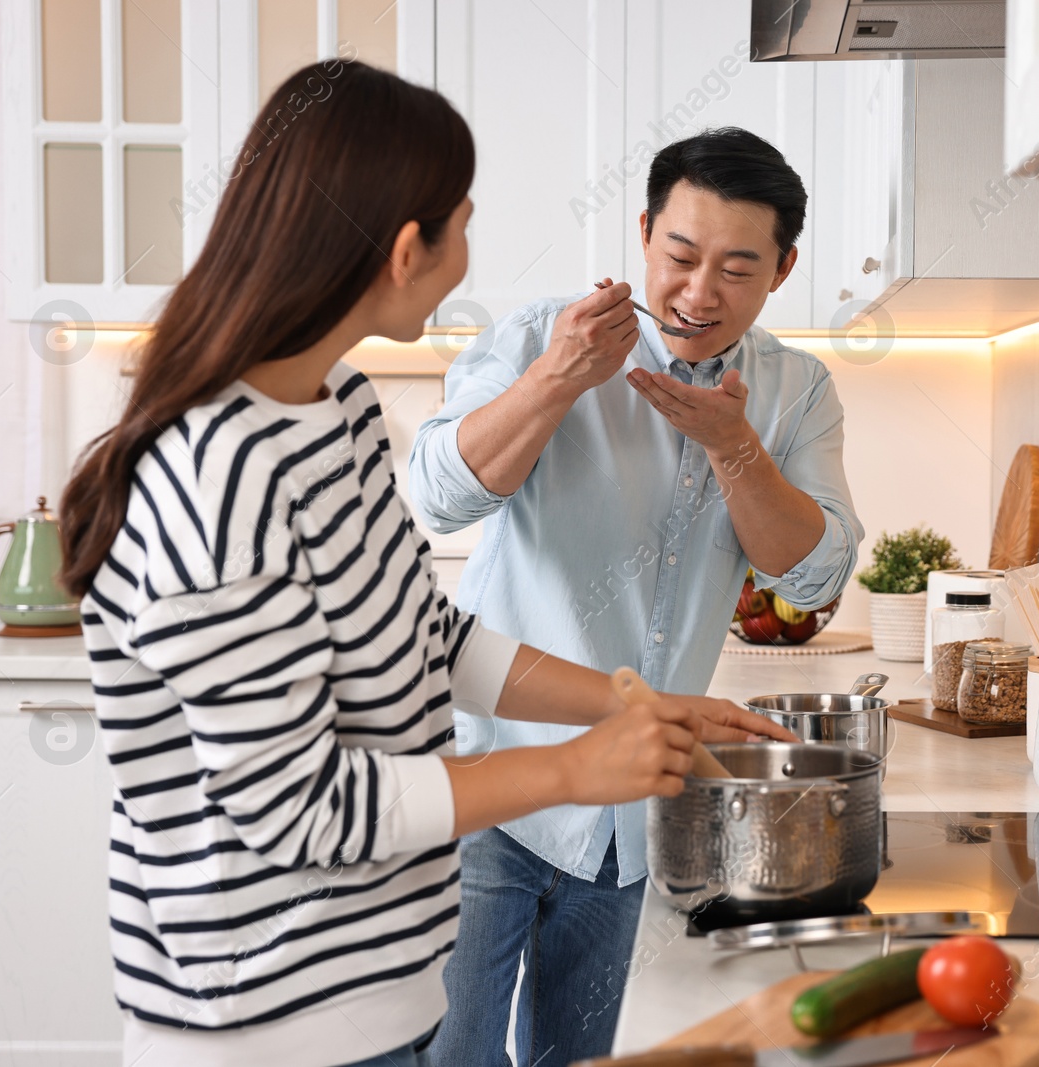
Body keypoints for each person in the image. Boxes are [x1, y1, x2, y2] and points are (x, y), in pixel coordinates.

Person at [57, 62, 786, 1067]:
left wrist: (632, 704)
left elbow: (426, 638)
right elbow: (298, 803)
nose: (467, 252)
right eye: (462, 223)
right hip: (263, 1023)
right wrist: (572, 769)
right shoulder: (215, 468)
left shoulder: (341, 411)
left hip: (381, 990)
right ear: (409, 249)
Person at [410, 126, 862, 1066]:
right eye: (681, 256)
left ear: (782, 270)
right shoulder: (545, 335)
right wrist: (555, 382)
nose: (699, 293)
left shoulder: (795, 391)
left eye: (737, 269)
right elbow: (439, 494)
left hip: (631, 815)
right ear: (645, 231)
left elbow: (812, 573)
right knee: (448, 1056)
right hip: (486, 782)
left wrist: (736, 449)